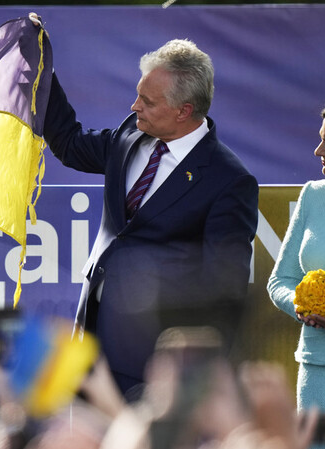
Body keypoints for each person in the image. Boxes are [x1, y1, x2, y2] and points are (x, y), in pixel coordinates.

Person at [39, 28, 259, 398]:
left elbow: (226, 289)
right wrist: (42, 72)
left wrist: (193, 379)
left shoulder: (228, 180)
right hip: (89, 344)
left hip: (153, 366)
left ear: (183, 111)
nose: (134, 106)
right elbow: (71, 144)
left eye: (147, 101)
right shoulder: (130, 135)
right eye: (138, 94)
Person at [267, 97, 325, 412]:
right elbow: (280, 280)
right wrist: (302, 303)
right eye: (319, 140)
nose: (318, 151)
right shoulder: (313, 195)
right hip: (318, 371)